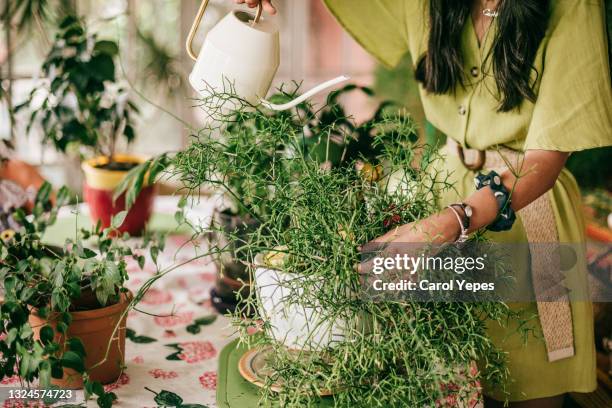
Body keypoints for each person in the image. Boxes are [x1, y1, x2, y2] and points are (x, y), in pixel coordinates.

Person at [235, 1, 612, 407]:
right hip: (438, 191)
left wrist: (449, 223)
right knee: (419, 375)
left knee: (524, 381)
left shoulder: (573, 5)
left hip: (525, 216)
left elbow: (546, 158)